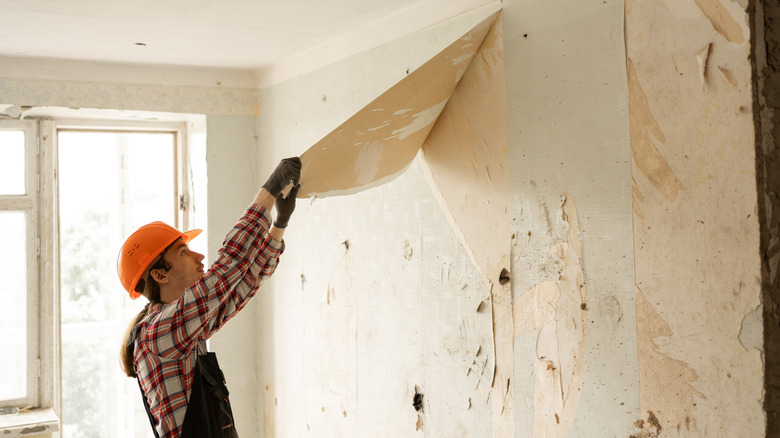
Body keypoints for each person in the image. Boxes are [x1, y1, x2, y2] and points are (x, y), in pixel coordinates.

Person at [117, 157, 301, 438]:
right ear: (160, 275)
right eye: (183, 252)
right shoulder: (159, 332)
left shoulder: (183, 328)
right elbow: (228, 268)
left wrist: (279, 224)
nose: (198, 256)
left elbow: (242, 286)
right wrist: (268, 192)